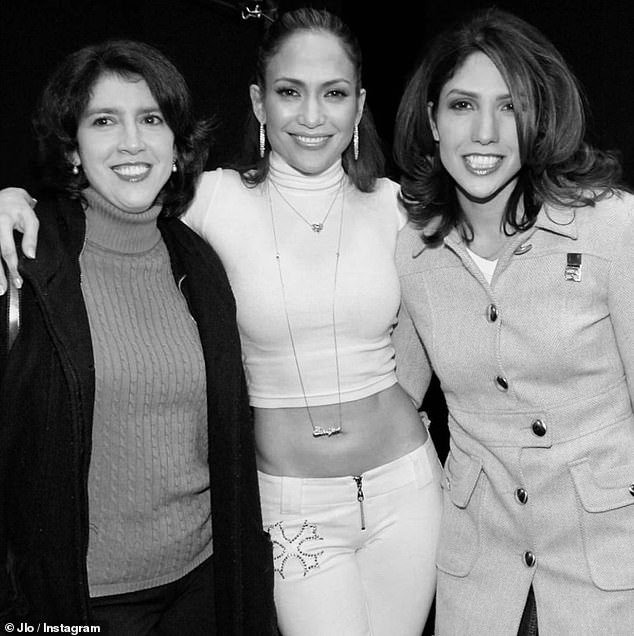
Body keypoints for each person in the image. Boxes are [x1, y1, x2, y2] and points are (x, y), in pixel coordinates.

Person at [0, 8, 443, 636]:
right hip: (292, 503)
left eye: (334, 94)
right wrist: (11, 199)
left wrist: (406, 403)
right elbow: (107, 202)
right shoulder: (210, 199)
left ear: (360, 103)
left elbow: (434, 323)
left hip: (406, 486)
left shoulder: (397, 206)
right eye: (290, 92)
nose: (312, 116)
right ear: (260, 103)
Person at [0, 39, 276, 634]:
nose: (132, 142)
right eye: (105, 121)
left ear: (177, 148)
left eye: (151, 119)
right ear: (73, 148)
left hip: (202, 585)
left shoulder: (200, 264)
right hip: (80, 600)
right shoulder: (25, 256)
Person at [391, 7, 634, 635]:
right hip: (480, 573)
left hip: (606, 567)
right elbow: (396, 402)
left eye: (509, 107)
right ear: (432, 120)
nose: (486, 132)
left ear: (539, 119)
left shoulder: (612, 227)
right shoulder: (415, 251)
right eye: (463, 105)